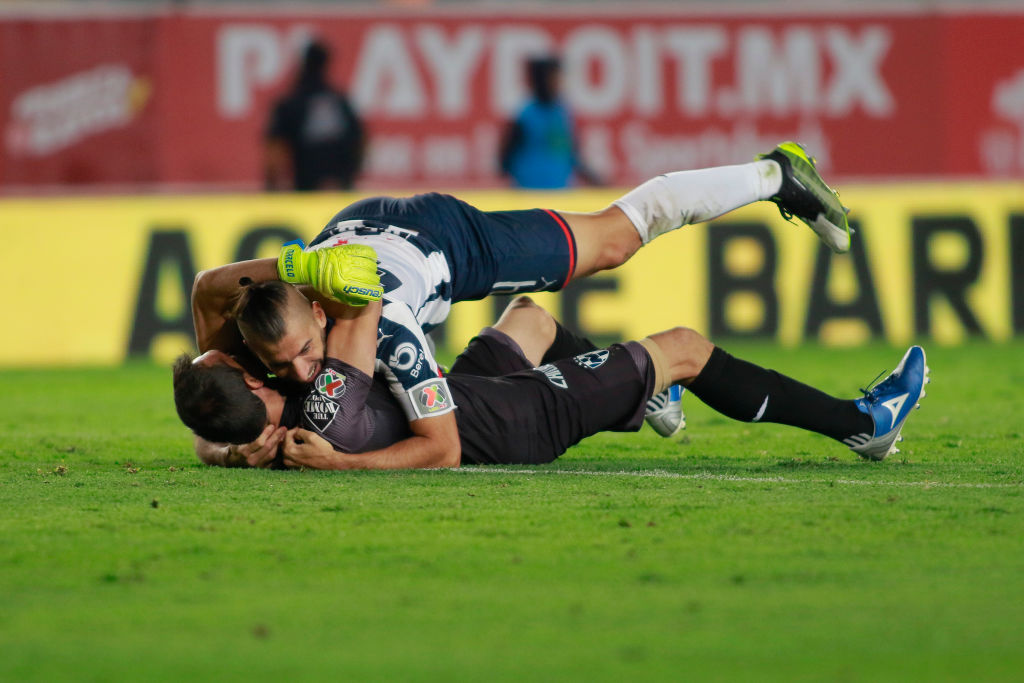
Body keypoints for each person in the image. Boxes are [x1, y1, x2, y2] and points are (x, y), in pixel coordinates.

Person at [190, 141, 852, 462]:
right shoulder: (262, 328)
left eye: (308, 353)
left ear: (323, 316)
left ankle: (774, 174)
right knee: (531, 321)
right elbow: (205, 292)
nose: (301, 372)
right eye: (285, 367)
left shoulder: (386, 332)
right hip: (352, 229)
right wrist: (290, 264)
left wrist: (333, 461)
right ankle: (639, 387)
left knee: (614, 242)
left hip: (448, 241)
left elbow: (441, 447)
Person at [173, 293, 929, 470]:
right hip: (511, 420)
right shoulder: (327, 397)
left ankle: (648, 398)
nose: (294, 365)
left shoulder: (254, 440)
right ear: (264, 388)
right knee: (687, 346)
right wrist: (301, 277)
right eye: (269, 364)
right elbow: (361, 293)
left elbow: (215, 435)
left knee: (529, 318)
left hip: (457, 392)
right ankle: (863, 423)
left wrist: (233, 448)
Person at [265, 40, 365, 192]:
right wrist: (351, 174)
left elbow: (275, 149)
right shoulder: (339, 101)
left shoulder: (292, 102)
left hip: (306, 191)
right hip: (341, 190)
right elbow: (361, 140)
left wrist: (272, 188)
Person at [498, 55, 602, 189]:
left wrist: (595, 179)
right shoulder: (524, 116)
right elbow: (505, 160)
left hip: (560, 194)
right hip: (528, 195)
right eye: (554, 77)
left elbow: (572, 154)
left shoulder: (563, 114)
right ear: (539, 80)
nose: (559, 82)